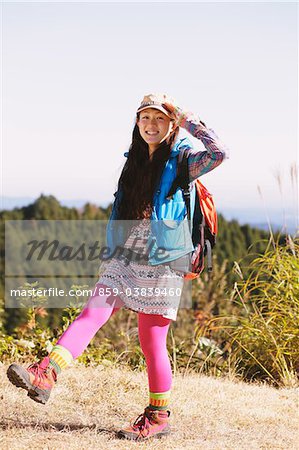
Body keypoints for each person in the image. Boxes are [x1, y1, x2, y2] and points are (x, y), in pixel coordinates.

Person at [7, 93, 229, 441]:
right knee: (93, 310)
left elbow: (219, 153)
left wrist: (185, 117)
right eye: (145, 118)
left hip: (164, 257)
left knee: (151, 341)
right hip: (126, 252)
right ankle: (45, 374)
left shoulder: (183, 160)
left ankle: (158, 416)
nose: (151, 125)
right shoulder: (134, 159)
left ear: (171, 125)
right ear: (137, 122)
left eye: (160, 119)